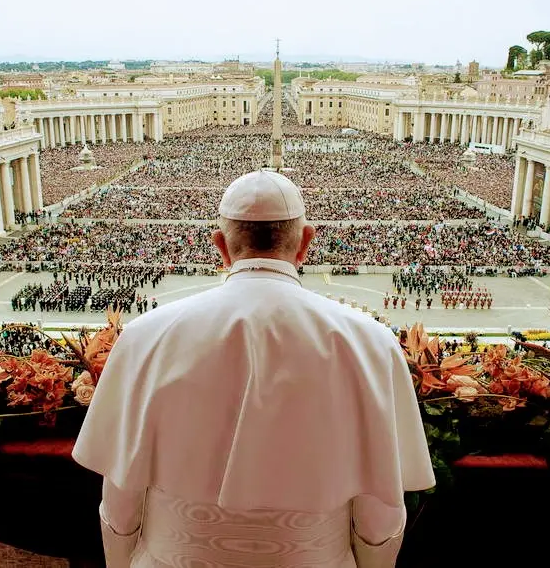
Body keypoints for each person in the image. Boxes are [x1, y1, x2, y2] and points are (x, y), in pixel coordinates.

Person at [73, 170, 434, 568]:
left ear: (220, 246)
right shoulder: (370, 342)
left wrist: (122, 561)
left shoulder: (145, 335)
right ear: (305, 243)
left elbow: (121, 496)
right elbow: (380, 508)